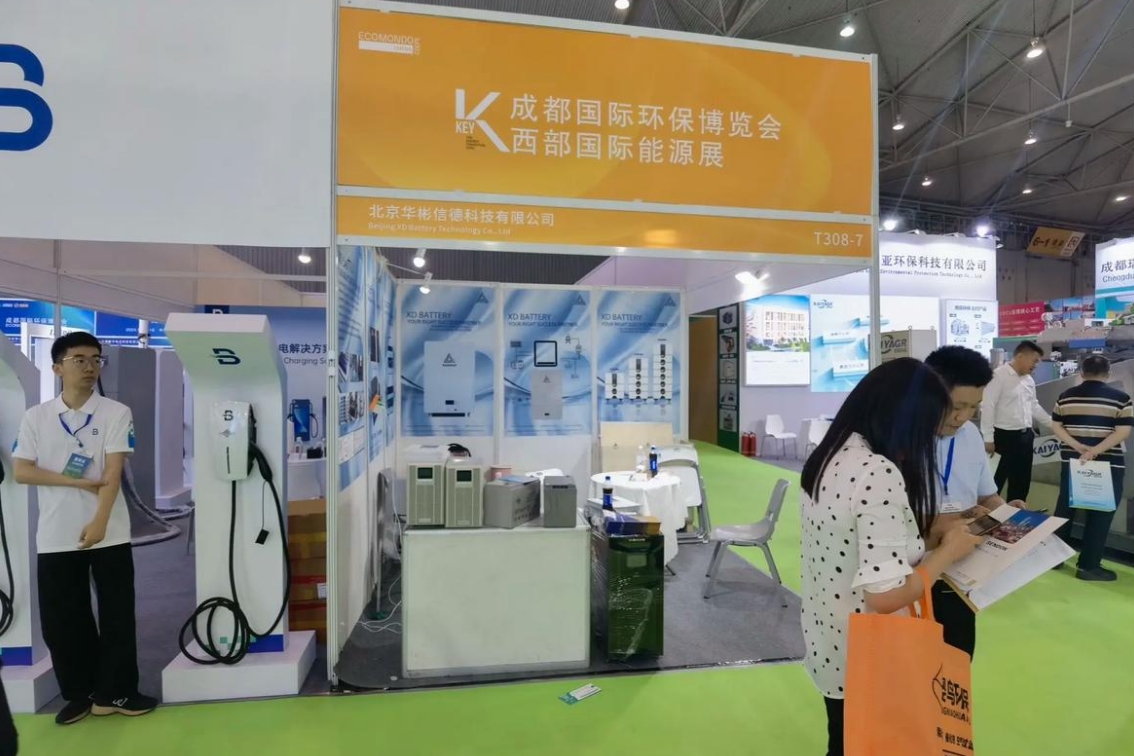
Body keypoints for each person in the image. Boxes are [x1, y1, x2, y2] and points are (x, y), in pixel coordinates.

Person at [800, 358, 983, 756]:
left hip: (830, 638)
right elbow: (885, 596)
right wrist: (947, 553)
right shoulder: (877, 471)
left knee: (844, 740)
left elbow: (854, 538)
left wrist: (930, 530)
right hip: (871, 651)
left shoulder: (830, 454)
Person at [12, 332, 157, 725]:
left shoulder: (115, 412)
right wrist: (74, 482)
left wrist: (99, 521)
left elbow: (112, 472)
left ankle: (118, 691)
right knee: (63, 618)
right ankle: (81, 693)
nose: (90, 367)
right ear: (57, 368)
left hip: (109, 531)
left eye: (96, 359)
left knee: (116, 614)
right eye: (79, 360)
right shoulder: (37, 417)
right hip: (56, 533)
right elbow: (22, 471)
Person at [924, 346, 1009, 659]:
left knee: (956, 664)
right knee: (909, 671)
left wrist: (1008, 514)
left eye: (974, 407)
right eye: (956, 406)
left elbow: (987, 495)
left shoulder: (970, 436)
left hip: (960, 576)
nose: (963, 417)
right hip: (911, 574)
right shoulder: (896, 440)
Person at [1050, 354, 1131, 582]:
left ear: (1082, 373)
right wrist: (1094, 451)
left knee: (1065, 508)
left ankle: (1054, 559)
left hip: (1072, 461)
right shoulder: (1121, 398)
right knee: (1100, 513)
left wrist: (1078, 447)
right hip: (1108, 463)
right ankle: (1088, 566)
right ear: (1108, 374)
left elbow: (1056, 426)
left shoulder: (1065, 396)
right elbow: (1123, 432)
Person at [981, 340, 1052, 502]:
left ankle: (1017, 514)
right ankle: (989, 514)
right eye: (1034, 360)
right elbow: (988, 406)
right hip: (1002, 437)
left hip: (1025, 437)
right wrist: (988, 438)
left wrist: (1051, 424)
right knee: (995, 481)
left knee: (1021, 481)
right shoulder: (998, 376)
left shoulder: (1029, 380)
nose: (1036, 365)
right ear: (1020, 356)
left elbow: (1034, 406)